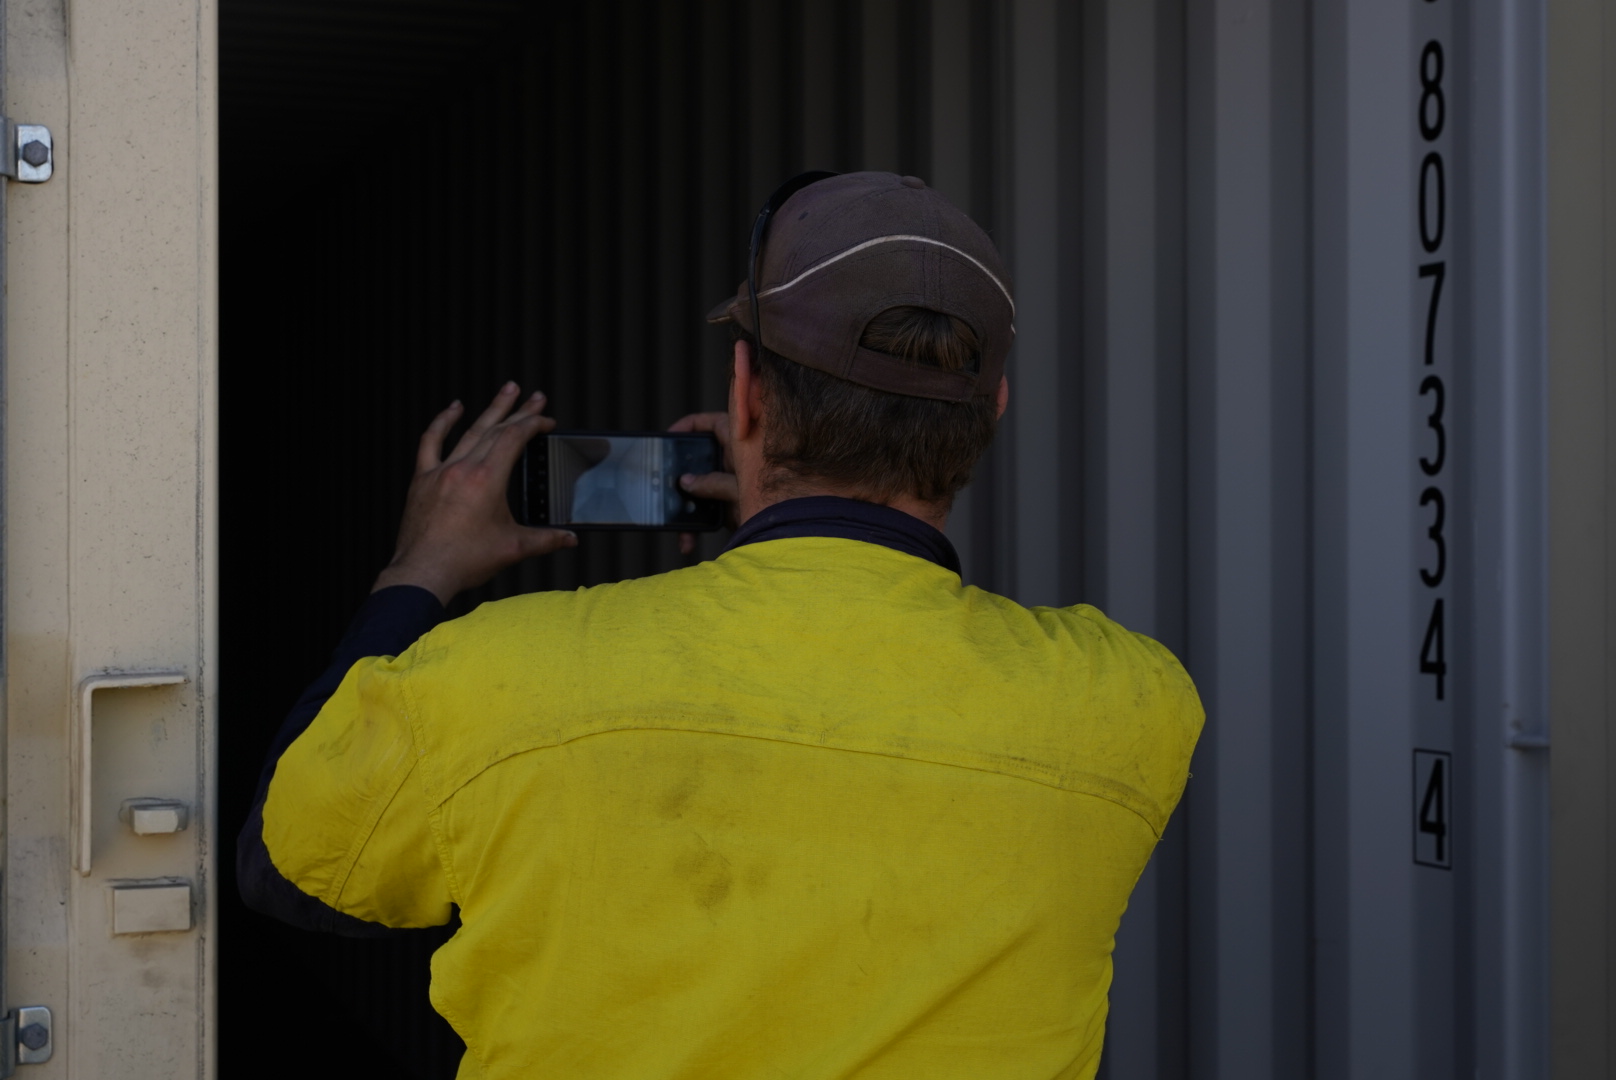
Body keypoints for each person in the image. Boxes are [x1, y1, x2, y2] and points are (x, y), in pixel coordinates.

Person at [239, 171, 1203, 1079]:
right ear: (993, 409)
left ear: (745, 393)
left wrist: (420, 569)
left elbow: (290, 867)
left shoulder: (496, 677)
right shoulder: (1130, 701)